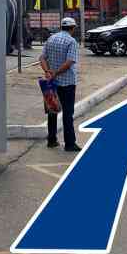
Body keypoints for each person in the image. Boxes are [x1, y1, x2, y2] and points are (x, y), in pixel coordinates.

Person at [39, 16, 81, 152]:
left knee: (52, 111)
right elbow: (69, 62)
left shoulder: (51, 39)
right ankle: (70, 143)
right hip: (67, 83)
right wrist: (56, 73)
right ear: (72, 28)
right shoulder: (71, 41)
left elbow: (42, 58)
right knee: (67, 113)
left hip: (51, 83)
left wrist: (48, 72)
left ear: (62, 27)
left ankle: (51, 140)